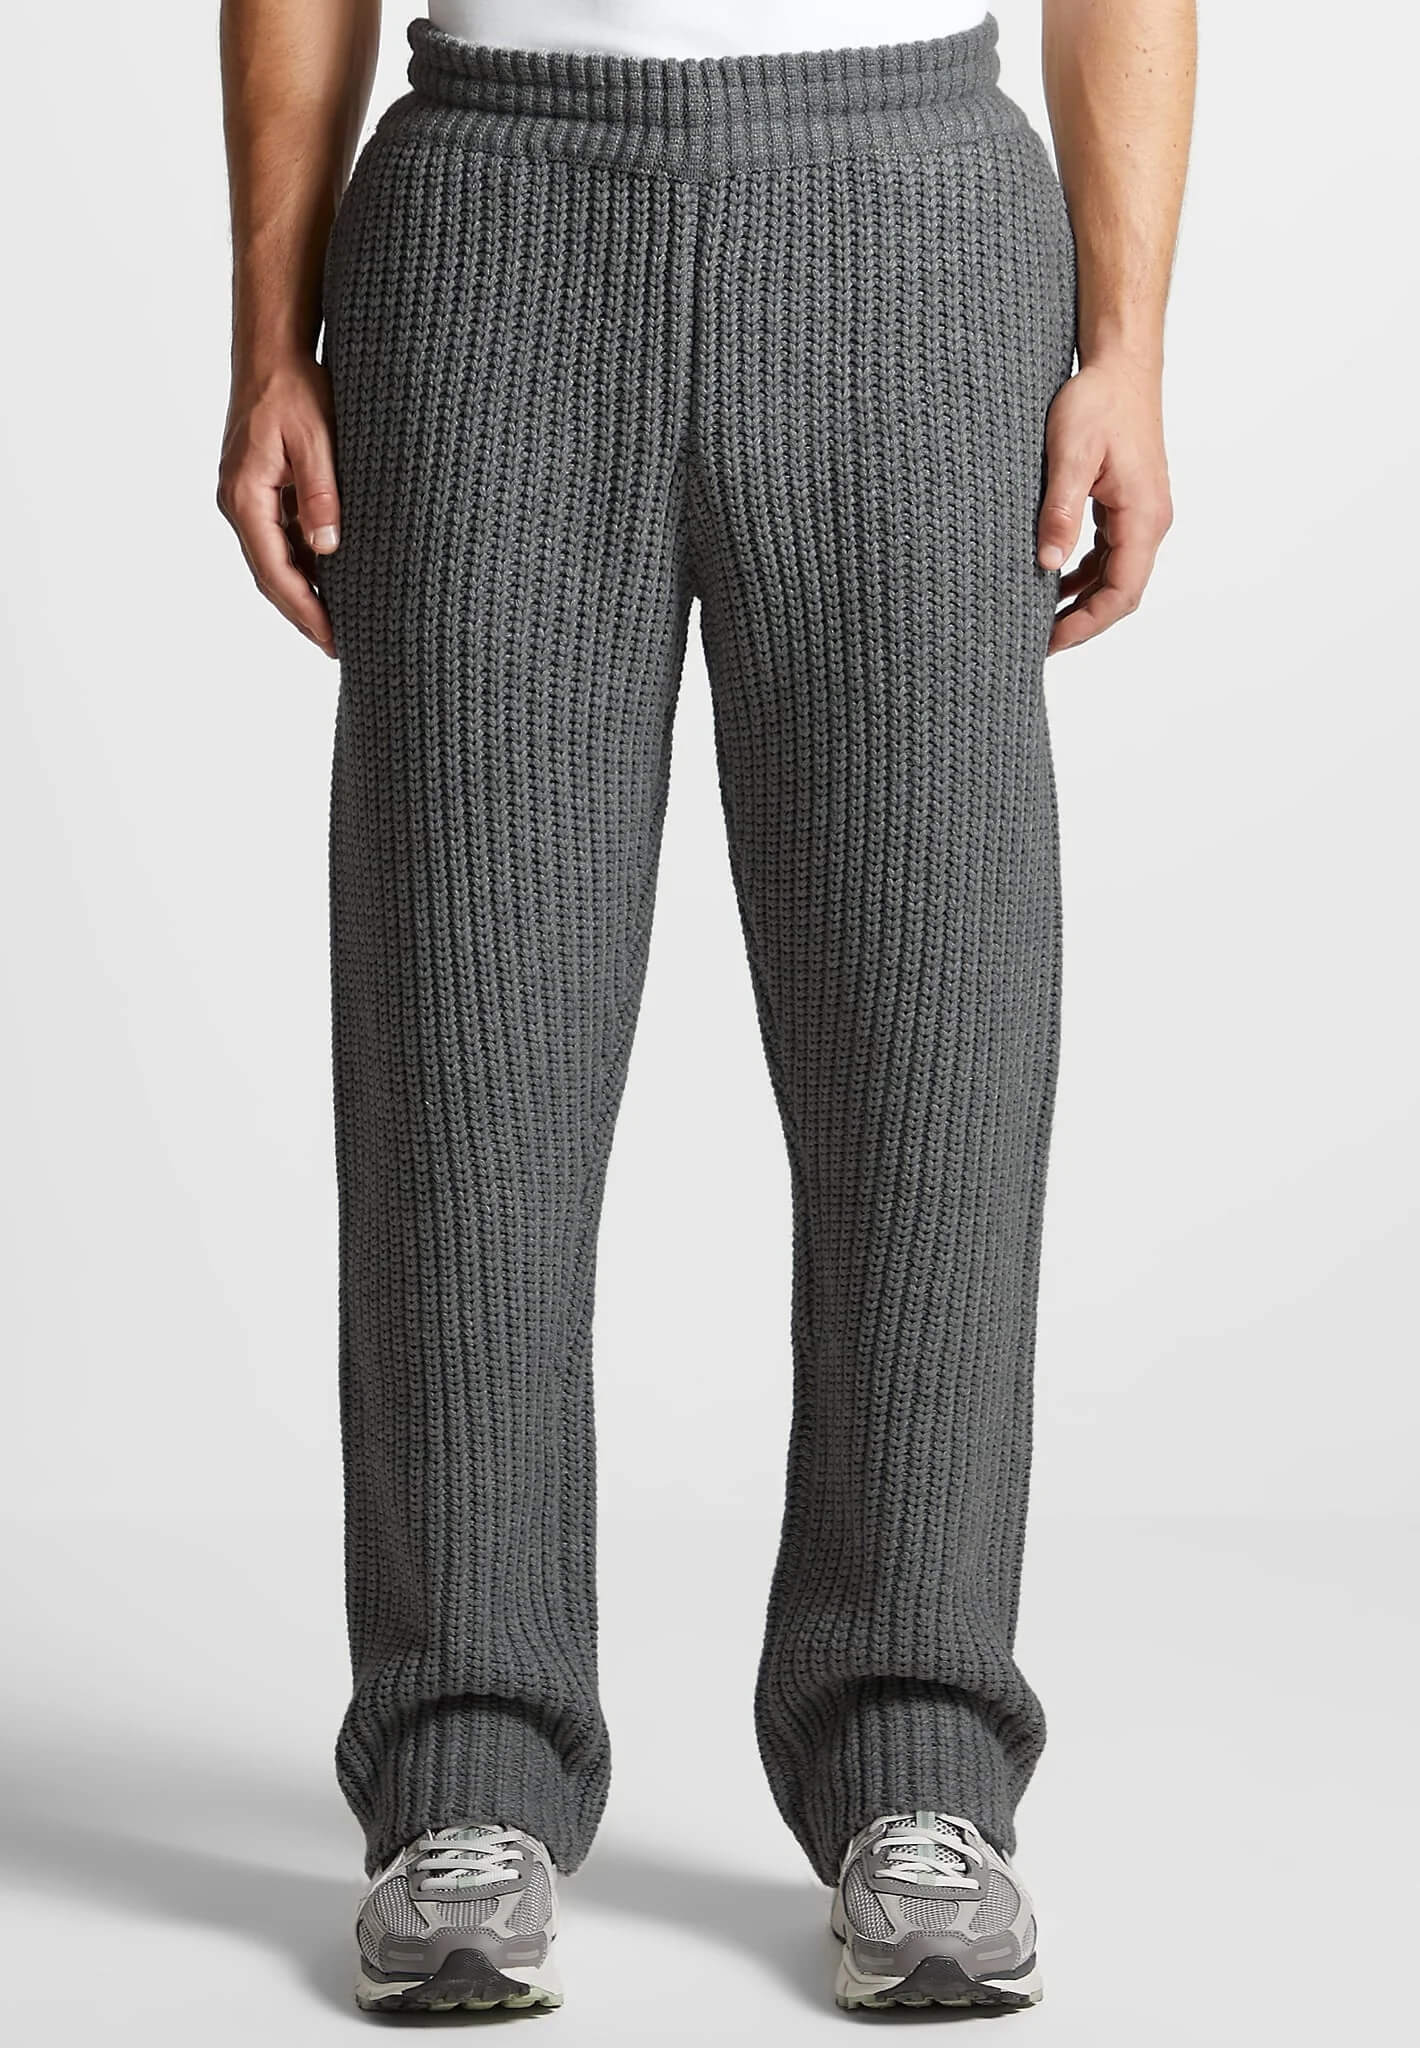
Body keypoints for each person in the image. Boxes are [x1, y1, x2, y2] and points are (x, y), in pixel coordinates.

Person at [217, 0, 1193, 2014]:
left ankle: (916, 1757)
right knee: (465, 1057)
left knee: (928, 1053)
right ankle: (463, 1768)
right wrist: (263, 338)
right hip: (489, 227)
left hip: (913, 229)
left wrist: (1129, 346)